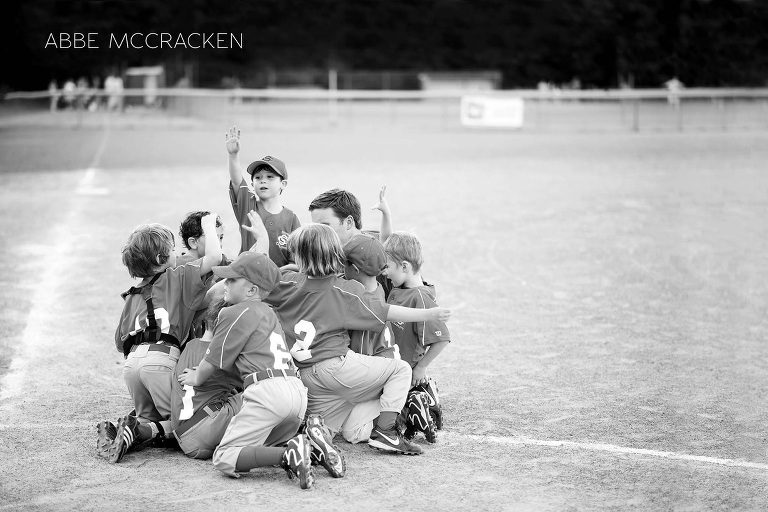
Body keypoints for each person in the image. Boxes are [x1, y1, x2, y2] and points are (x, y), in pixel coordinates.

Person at [256, 222, 451, 455]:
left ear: (300, 258)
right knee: (400, 370)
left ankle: (313, 444)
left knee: (339, 431)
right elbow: (386, 311)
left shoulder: (286, 282)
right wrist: (429, 314)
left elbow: (258, 280)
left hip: (305, 379)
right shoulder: (343, 289)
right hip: (335, 369)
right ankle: (387, 432)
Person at [178, 251, 345, 488]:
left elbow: (214, 359)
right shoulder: (269, 312)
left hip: (267, 391)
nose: (225, 283)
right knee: (262, 444)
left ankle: (288, 455)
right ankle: (312, 448)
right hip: (296, 393)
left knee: (225, 456)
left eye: (232, 279)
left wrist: (196, 376)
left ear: (251, 290)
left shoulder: (232, 311)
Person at [100, 215, 222, 464]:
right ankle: (134, 429)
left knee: (148, 416)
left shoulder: (132, 295)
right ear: (161, 259)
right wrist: (208, 226)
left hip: (131, 365)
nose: (177, 254)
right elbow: (214, 259)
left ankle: (125, 430)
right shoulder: (177, 276)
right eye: (173, 250)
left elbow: (118, 342)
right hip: (161, 360)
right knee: (184, 423)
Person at [383, 231, 451, 443]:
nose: (384, 272)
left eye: (388, 267)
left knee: (392, 420)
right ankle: (420, 398)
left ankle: (422, 398)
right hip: (394, 367)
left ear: (404, 267)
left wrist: (420, 367)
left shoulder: (420, 297)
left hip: (407, 372)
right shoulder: (398, 288)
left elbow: (442, 339)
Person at [170, 297, 242, 459]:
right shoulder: (223, 355)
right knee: (259, 392)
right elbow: (249, 381)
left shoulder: (191, 345)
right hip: (203, 431)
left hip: (182, 435)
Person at [225, 125, 300, 267]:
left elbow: (295, 262)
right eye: (258, 177)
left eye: (270, 177)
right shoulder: (248, 206)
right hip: (247, 276)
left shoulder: (291, 218)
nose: (263, 180)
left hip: (279, 280)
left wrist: (275, 274)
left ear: (283, 184)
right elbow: (236, 181)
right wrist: (233, 155)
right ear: (252, 185)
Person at [343, 234, 398, 359]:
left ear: (356, 270)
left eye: (343, 263)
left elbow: (361, 353)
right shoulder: (375, 287)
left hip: (379, 362)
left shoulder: (365, 306)